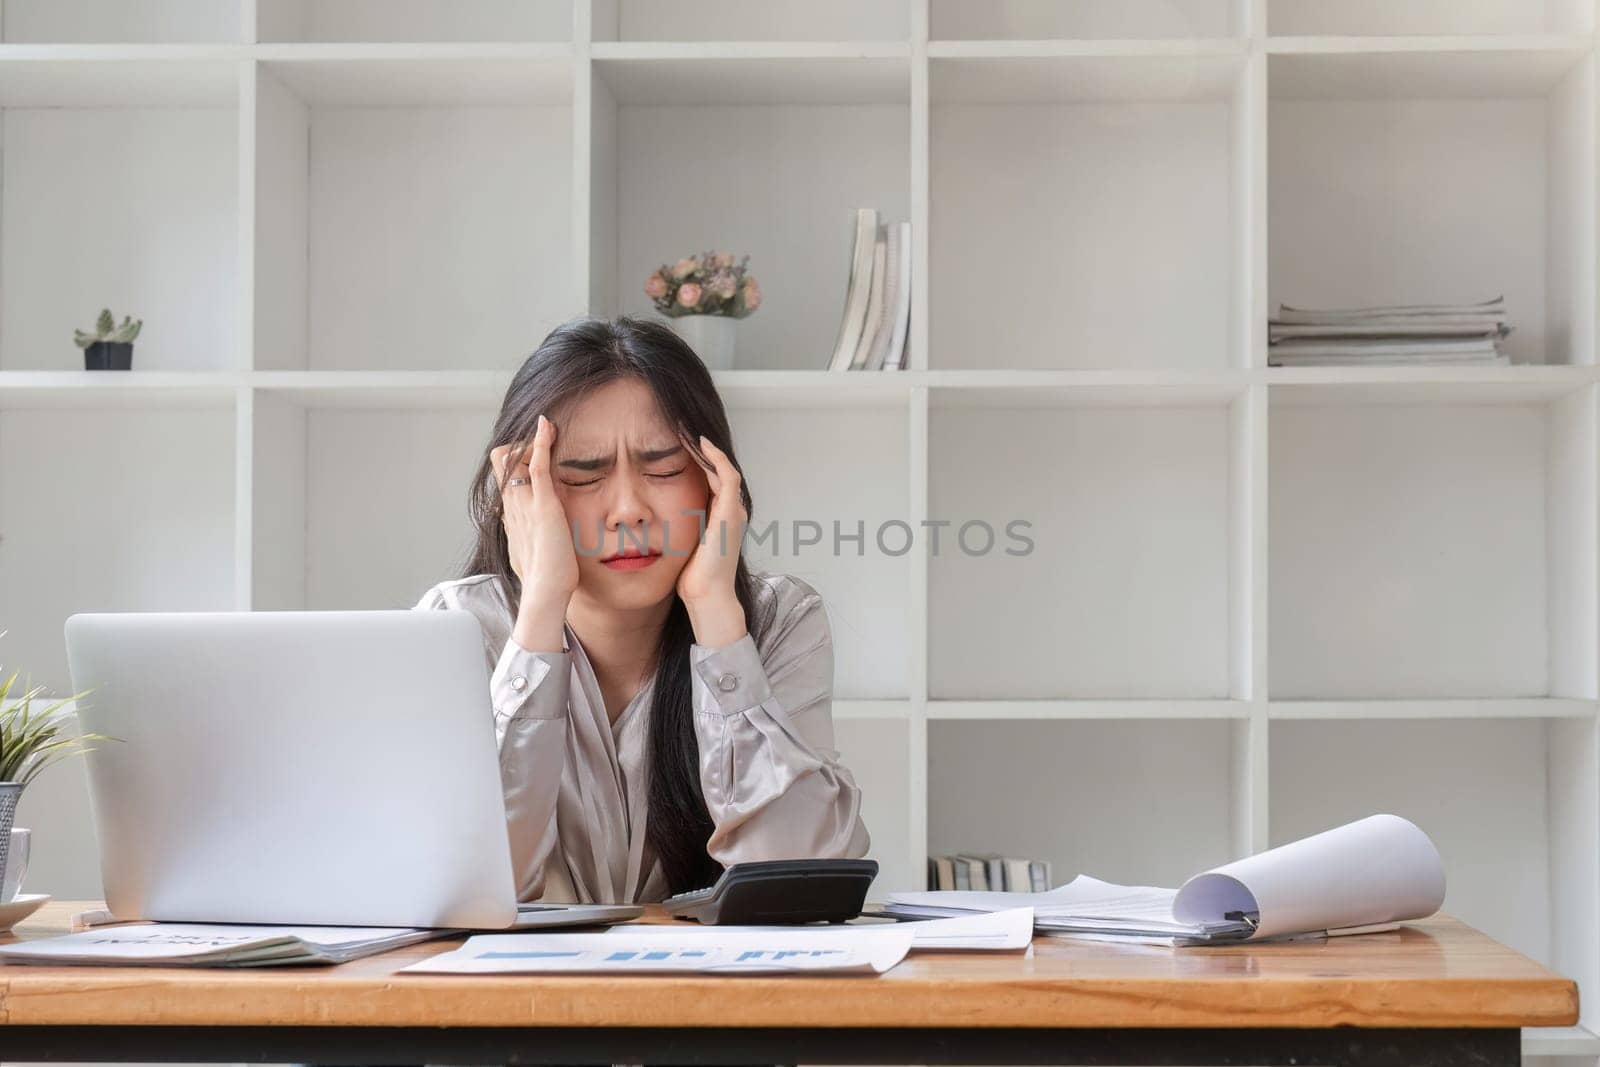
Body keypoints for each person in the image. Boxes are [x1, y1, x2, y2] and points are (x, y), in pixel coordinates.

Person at [414, 314, 872, 906]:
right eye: (581, 475)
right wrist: (540, 615)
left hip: (715, 994)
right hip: (517, 1000)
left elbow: (793, 879)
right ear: (521, 493)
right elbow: (464, 889)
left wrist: (717, 623)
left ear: (716, 481)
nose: (628, 509)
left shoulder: (780, 619)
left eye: (663, 468)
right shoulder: (456, 627)